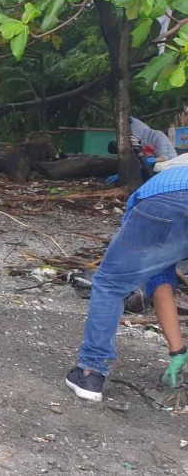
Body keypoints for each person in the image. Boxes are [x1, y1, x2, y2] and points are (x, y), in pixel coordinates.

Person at [66, 167, 188, 401]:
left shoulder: (152, 193)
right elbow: (161, 283)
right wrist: (177, 351)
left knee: (109, 283)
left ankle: (91, 373)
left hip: (163, 202)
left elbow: (156, 280)